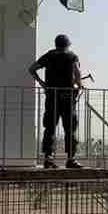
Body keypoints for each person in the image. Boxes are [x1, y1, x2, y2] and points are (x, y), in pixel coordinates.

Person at [29, 34, 83, 169]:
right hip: (67, 97)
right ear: (67, 44)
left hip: (52, 96)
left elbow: (32, 68)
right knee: (70, 129)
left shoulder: (49, 55)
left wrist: (42, 83)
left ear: (56, 44)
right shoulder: (72, 56)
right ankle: (71, 159)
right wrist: (78, 86)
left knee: (50, 128)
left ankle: (48, 159)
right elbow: (77, 74)